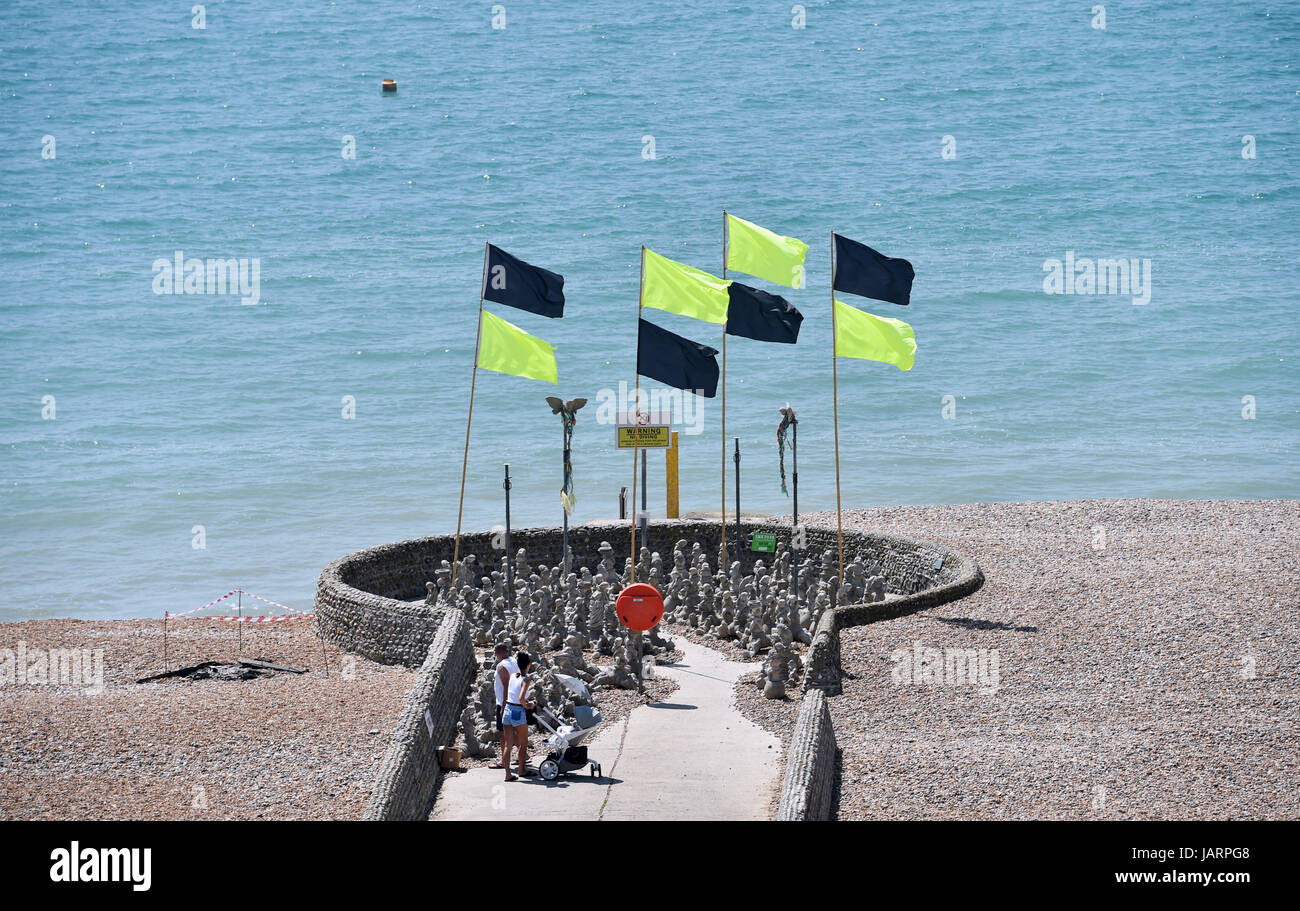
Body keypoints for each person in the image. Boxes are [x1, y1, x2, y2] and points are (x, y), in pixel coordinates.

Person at [500, 652, 535, 782]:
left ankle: (508, 774)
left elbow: (513, 694)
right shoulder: (526, 679)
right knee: (523, 743)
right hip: (518, 711)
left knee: (508, 745)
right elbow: (521, 698)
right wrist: (528, 705)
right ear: (528, 665)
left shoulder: (513, 675)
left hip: (508, 708)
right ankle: (521, 770)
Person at [491, 643, 518, 771]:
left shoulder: (501, 666)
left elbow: (506, 685)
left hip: (505, 702)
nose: (495, 655)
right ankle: (525, 755)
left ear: (500, 653)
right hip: (515, 701)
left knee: (503, 734)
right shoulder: (513, 661)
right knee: (514, 730)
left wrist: (503, 706)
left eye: (495, 653)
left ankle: (503, 761)